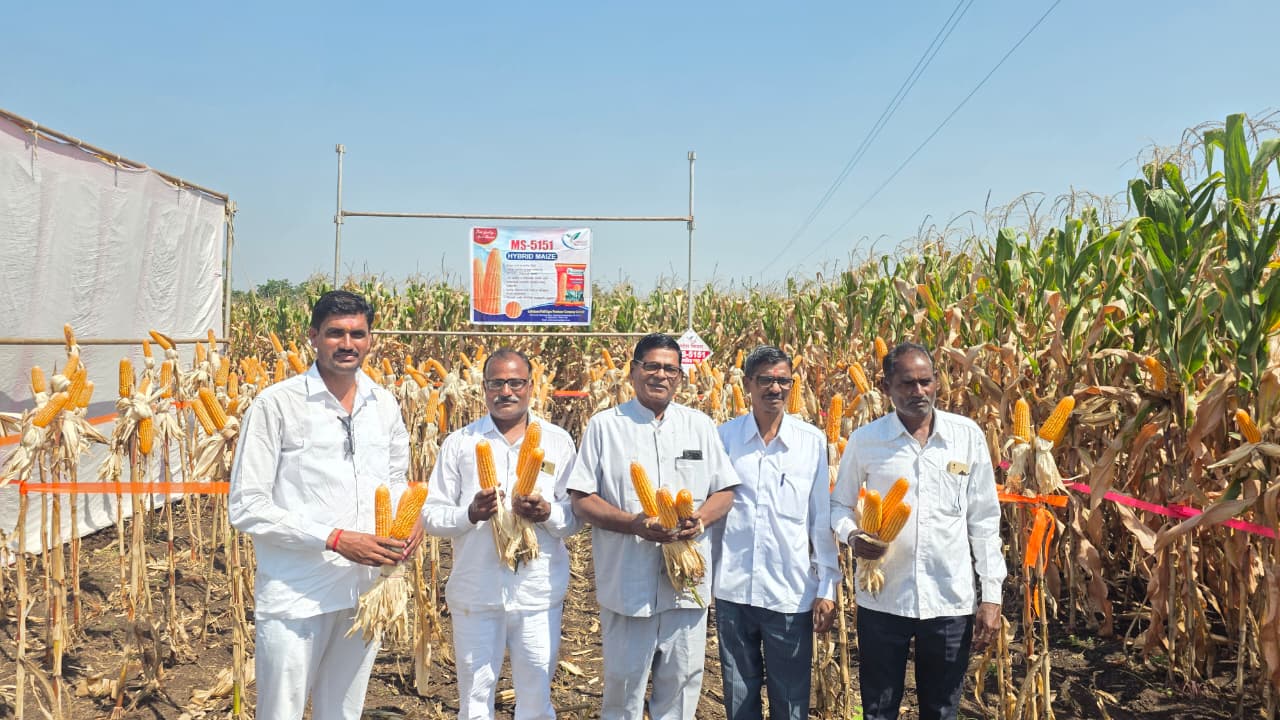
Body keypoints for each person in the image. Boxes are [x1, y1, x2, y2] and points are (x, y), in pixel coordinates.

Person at [228, 290, 420, 720]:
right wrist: (333, 538)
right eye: (335, 333)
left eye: (357, 333)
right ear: (313, 336)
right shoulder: (276, 405)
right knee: (282, 713)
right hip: (298, 593)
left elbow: (394, 482)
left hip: (364, 591)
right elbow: (246, 505)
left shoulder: (384, 404)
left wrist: (413, 520)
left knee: (343, 714)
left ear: (371, 339)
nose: (347, 343)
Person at [567, 333, 740, 720]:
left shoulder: (700, 425)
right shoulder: (605, 426)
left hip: (687, 587)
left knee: (681, 688)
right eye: (652, 366)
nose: (661, 375)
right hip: (628, 586)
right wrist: (634, 524)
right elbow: (581, 499)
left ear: (680, 377)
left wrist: (701, 518)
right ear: (633, 372)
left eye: (670, 368)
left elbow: (725, 492)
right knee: (623, 689)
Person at [830, 342, 1005, 720]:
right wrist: (853, 537)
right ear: (885, 385)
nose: (918, 392)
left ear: (937, 382)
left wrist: (990, 596)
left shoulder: (967, 436)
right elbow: (839, 506)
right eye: (907, 383)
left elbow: (985, 521)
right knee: (878, 708)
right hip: (883, 599)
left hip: (948, 599)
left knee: (941, 709)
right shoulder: (866, 441)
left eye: (926, 382)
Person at [422, 348, 580, 720]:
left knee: (536, 699)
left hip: (538, 593)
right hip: (477, 592)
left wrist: (548, 513)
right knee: (475, 703)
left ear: (530, 386)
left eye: (515, 382)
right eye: (496, 383)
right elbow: (431, 515)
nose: (506, 391)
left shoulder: (557, 441)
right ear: (483, 388)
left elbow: (576, 517)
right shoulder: (460, 443)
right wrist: (471, 514)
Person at [714, 345, 840, 720]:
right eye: (766, 380)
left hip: (790, 591)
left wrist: (827, 588)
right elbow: (713, 513)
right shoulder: (724, 438)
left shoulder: (811, 441)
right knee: (739, 696)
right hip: (733, 589)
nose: (775, 388)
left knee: (791, 698)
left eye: (783, 380)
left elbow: (820, 518)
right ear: (748, 383)